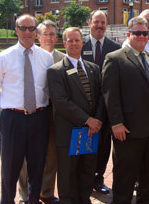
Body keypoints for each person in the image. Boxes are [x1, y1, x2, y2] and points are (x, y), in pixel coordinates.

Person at [102, 16, 149, 204]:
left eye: (144, 33)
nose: (141, 36)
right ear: (128, 34)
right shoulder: (115, 58)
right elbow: (110, 94)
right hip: (128, 129)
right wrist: (116, 123)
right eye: (137, 33)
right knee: (126, 172)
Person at [0, 14, 53, 204]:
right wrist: (10, 109)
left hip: (39, 119)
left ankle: (33, 201)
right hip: (12, 120)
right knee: (9, 170)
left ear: (36, 32)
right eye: (23, 28)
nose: (27, 32)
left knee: (37, 168)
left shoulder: (46, 58)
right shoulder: (3, 57)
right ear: (16, 29)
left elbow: (48, 89)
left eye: (31, 29)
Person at [47, 27, 104, 204]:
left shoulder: (93, 68)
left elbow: (101, 97)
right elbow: (61, 101)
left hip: (91, 132)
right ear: (64, 43)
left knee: (87, 170)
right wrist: (87, 120)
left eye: (77, 40)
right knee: (68, 173)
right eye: (69, 40)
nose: (73, 43)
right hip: (69, 131)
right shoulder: (55, 71)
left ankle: (84, 199)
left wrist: (97, 121)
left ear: (82, 42)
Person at [18, 20, 64, 204]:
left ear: (56, 37)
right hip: (33, 113)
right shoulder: (30, 56)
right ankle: (26, 195)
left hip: (54, 115)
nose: (49, 37)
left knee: (51, 155)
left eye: (52, 34)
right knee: (25, 157)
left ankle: (47, 192)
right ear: (39, 36)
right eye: (45, 33)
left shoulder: (63, 59)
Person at [81, 10, 121, 194]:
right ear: (89, 23)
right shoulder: (79, 44)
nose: (99, 25)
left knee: (104, 146)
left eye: (103, 22)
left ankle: (98, 179)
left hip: (105, 106)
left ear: (107, 24)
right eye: (96, 22)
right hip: (84, 106)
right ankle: (83, 180)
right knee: (84, 146)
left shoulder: (115, 47)